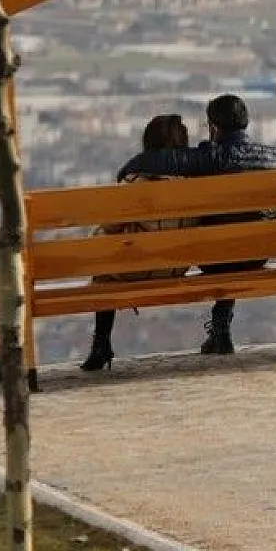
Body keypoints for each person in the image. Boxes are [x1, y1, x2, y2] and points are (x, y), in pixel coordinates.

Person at [116, 94, 276, 355]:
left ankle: (220, 331)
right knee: (235, 232)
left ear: (214, 127)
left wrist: (129, 166)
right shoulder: (275, 158)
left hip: (215, 256)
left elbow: (161, 159)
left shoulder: (210, 157)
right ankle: (221, 330)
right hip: (258, 253)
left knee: (220, 236)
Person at [80, 114, 197, 372]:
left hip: (138, 269)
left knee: (103, 273)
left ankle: (101, 345)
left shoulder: (135, 184)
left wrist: (96, 238)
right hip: (177, 266)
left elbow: (110, 225)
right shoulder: (194, 184)